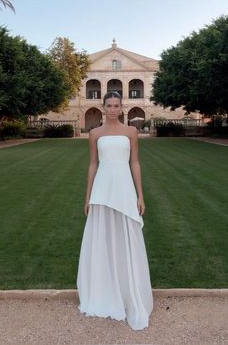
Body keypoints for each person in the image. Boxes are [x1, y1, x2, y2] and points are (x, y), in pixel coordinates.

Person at [77, 91, 153, 331]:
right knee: (102, 237)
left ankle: (128, 289)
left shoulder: (131, 132)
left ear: (121, 108)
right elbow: (92, 164)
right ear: (103, 107)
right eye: (108, 105)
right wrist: (87, 196)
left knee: (126, 237)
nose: (112, 109)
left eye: (116, 105)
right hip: (102, 187)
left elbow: (135, 163)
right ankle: (103, 289)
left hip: (124, 187)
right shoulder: (95, 133)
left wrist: (140, 195)